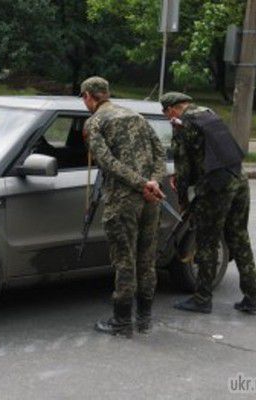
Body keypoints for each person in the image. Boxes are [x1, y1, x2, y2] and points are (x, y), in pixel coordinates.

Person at [160, 92, 256, 314]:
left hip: (217, 187)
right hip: (239, 179)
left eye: (166, 113)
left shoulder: (183, 125)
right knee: (239, 237)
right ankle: (253, 297)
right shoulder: (209, 115)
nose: (168, 118)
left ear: (172, 109)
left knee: (206, 240)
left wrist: (183, 202)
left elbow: (183, 171)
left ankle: (202, 299)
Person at [81, 77, 167, 337]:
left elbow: (106, 162)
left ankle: (121, 321)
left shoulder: (94, 122)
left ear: (89, 96)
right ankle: (144, 318)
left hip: (123, 200)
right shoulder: (136, 116)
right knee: (146, 258)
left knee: (124, 260)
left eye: (83, 97)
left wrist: (141, 184)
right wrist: (153, 182)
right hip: (151, 200)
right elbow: (160, 152)